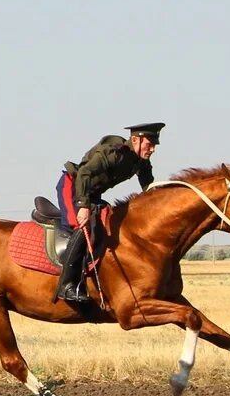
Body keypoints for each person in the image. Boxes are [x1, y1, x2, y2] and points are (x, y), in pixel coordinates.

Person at [53, 122, 164, 303]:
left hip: (93, 194)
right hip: (74, 186)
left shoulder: (141, 161)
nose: (152, 150)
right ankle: (66, 286)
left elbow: (149, 188)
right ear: (135, 140)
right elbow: (83, 174)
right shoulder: (113, 152)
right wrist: (83, 206)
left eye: (154, 146)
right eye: (149, 145)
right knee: (83, 226)